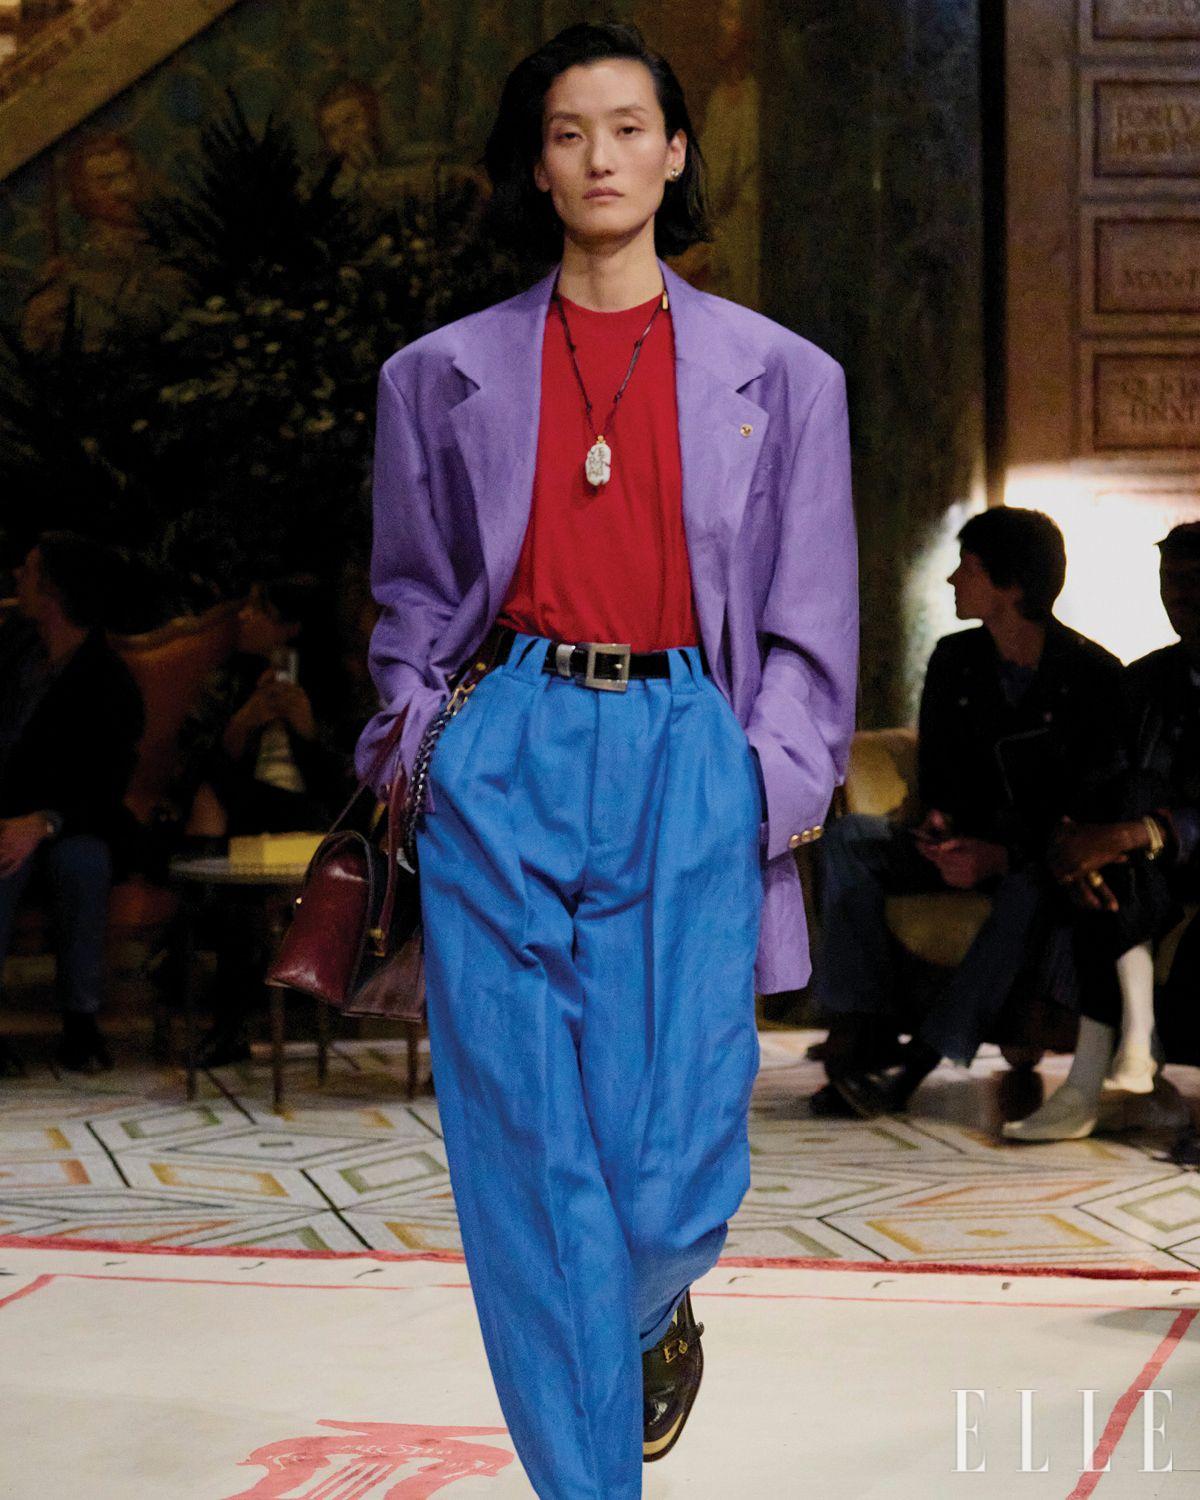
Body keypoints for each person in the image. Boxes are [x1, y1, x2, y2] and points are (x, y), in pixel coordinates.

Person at [351, 22, 857, 1498]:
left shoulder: (786, 376)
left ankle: (643, 1311)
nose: (600, 158)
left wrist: (759, 784)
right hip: (503, 744)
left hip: (685, 747)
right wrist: (425, 739)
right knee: (524, 1160)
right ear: (538, 164)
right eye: (569, 132)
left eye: (629, 128)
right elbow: (408, 594)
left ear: (675, 151)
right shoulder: (436, 376)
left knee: (672, 1169)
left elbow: (813, 617)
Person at [813, 508, 1125, 1120]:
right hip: (963, 846)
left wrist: (1001, 855)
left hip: (1037, 860)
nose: (954, 580)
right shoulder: (955, 657)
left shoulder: (1094, 676)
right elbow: (942, 770)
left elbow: (1092, 809)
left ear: (1012, 585)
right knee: (850, 837)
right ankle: (864, 1025)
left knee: (1030, 889)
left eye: (969, 568)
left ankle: (920, 1058)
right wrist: (941, 824)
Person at [1003, 523, 1200, 1146]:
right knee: (1107, 850)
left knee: (1127, 831)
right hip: (1149, 870)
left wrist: (1141, 832)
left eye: (1196, 581)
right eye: (1170, 581)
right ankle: (1128, 1051)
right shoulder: (1145, 679)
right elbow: (1099, 776)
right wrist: (1077, 845)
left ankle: (1091, 1083)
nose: (1181, 595)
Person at [166, 575, 354, 1067]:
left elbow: (349, 783)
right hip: (242, 810)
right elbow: (191, 762)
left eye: (259, 610)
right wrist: (241, 724)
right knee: (214, 806)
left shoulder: (331, 682)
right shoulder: (229, 678)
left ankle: (204, 982)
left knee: (224, 829)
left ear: (290, 627)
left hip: (310, 815)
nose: (243, 617)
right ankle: (224, 1009)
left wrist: (307, 731)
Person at [0, 532, 144, 1073]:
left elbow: (106, 787)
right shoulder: (13, 654)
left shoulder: (107, 679)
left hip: (72, 823)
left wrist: (44, 821)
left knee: (84, 862)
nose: (17, 577)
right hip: (4, 816)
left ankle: (80, 1025)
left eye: (29, 570)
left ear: (54, 591)